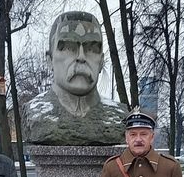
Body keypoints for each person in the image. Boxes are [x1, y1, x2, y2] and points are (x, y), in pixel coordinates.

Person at [23, 11, 126, 146]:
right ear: (50, 60)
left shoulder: (118, 117)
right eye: (68, 48)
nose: (81, 57)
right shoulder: (37, 113)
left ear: (101, 62)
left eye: (91, 48)